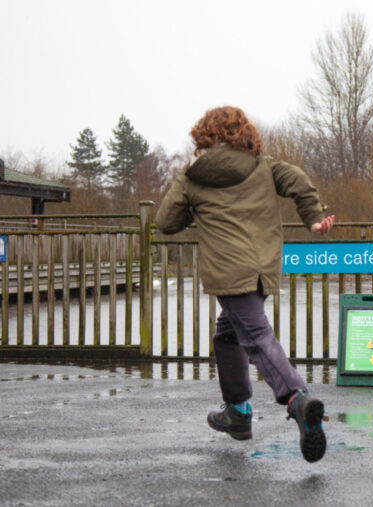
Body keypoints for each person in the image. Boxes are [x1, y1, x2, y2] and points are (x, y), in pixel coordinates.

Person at [155, 105, 335, 463]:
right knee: (228, 334)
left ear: (205, 138)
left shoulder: (194, 177)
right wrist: (313, 218)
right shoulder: (264, 166)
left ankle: (296, 398)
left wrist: (188, 188)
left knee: (255, 337)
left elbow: (165, 222)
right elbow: (298, 180)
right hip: (261, 269)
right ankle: (238, 412)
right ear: (245, 135)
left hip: (228, 272)